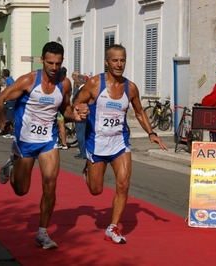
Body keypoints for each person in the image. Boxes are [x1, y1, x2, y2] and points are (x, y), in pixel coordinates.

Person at [0, 41, 89, 250]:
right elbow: (0, 99)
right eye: (50, 63)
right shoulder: (28, 80)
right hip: (25, 142)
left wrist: (78, 116)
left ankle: (42, 232)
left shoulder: (64, 84)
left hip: (48, 141)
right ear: (42, 60)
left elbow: (66, 111)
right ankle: (12, 165)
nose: (54, 67)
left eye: (57, 63)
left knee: (50, 183)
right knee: (21, 190)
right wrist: (2, 119)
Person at [72, 44, 167, 244]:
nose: (119, 64)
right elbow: (77, 103)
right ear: (107, 62)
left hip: (119, 142)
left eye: (122, 60)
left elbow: (140, 111)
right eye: (114, 60)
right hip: (96, 142)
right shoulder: (95, 84)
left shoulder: (130, 87)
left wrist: (151, 133)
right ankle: (88, 171)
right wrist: (80, 110)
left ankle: (112, 227)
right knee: (95, 190)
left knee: (123, 184)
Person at [73, 74, 87, 159]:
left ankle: (83, 152)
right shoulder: (84, 89)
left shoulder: (82, 90)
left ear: (77, 82)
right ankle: (84, 151)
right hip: (82, 115)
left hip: (81, 116)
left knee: (81, 134)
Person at [1, 69, 16, 138]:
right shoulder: (8, 81)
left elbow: (13, 91)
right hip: (8, 101)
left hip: (11, 101)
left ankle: (12, 133)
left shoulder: (10, 81)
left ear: (3, 75)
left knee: (10, 117)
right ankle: (9, 131)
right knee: (7, 116)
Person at [57, 67, 69, 150]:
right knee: (61, 125)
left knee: (61, 125)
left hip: (59, 107)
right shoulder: (67, 81)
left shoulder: (61, 82)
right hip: (63, 107)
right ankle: (63, 142)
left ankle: (64, 143)